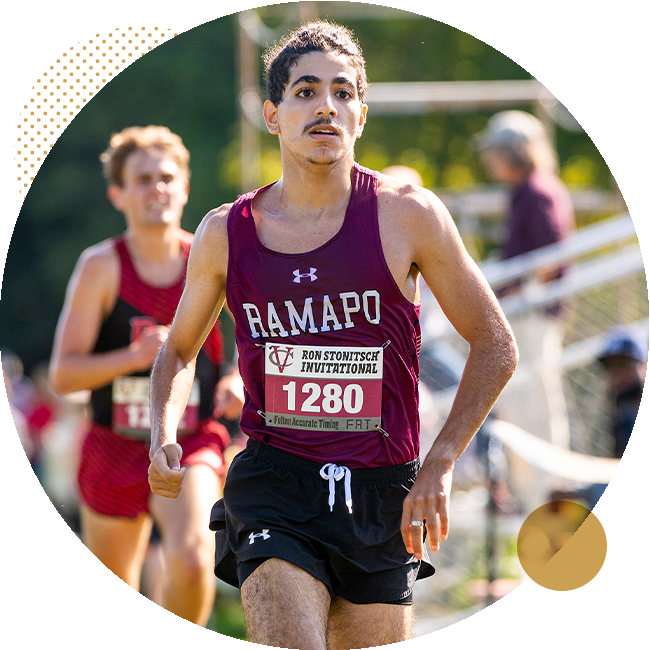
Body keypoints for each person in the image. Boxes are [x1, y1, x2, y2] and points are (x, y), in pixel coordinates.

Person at [149, 22, 518, 650]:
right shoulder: (227, 231)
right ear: (273, 114)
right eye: (306, 91)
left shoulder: (409, 215)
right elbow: (178, 351)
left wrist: (441, 462)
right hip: (276, 484)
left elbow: (496, 344)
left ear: (362, 114)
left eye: (343, 93)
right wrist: (162, 432)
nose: (326, 106)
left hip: (383, 494)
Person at [49, 125, 240, 650]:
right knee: (111, 609)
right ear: (118, 194)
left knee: (195, 557)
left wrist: (235, 380)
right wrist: (132, 357)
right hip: (114, 444)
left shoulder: (212, 258)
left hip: (189, 437)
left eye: (166, 177)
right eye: (142, 180)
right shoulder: (102, 266)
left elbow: (248, 346)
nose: (156, 188)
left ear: (184, 186)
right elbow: (64, 374)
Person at [476, 110, 576, 514]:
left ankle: (546, 497)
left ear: (514, 152)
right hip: (524, 314)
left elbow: (552, 255)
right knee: (519, 406)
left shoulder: (538, 191)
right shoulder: (525, 191)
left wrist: (524, 291)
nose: (489, 159)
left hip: (533, 317)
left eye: (495, 151)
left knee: (534, 406)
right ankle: (531, 497)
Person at [592, 327, 649, 579]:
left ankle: (618, 598)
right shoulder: (620, 410)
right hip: (637, 495)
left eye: (624, 365)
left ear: (643, 365)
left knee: (610, 502)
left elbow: (633, 472)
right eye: (611, 368)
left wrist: (583, 488)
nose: (617, 375)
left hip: (639, 492)